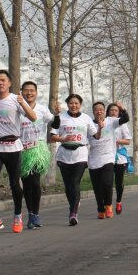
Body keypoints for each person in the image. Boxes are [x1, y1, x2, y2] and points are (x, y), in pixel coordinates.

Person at [0, 69, 37, 233]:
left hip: (13, 148)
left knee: (14, 184)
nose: (0, 83)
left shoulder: (15, 99)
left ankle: (18, 216)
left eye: (3, 80)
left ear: (9, 83)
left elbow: (33, 117)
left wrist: (23, 103)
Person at [48, 93, 96, 226]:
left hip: (80, 153)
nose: (74, 105)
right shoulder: (61, 117)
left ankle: (73, 213)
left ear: (80, 105)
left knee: (75, 182)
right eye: (71, 103)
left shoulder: (86, 118)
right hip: (64, 154)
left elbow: (95, 135)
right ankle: (74, 203)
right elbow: (52, 137)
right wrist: (63, 139)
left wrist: (101, 129)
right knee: (68, 185)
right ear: (67, 104)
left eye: (76, 103)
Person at [19, 81, 54, 229]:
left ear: (36, 92)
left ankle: (35, 214)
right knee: (27, 184)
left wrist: (58, 114)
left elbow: (54, 122)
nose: (29, 93)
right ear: (22, 92)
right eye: (26, 90)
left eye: (32, 90)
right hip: (22, 149)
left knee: (35, 182)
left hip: (38, 149)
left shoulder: (42, 109)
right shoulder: (17, 108)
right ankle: (31, 214)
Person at [88, 101, 129, 219]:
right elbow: (89, 138)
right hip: (94, 159)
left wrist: (122, 108)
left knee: (107, 183)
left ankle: (109, 205)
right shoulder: (89, 124)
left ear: (104, 111)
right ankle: (100, 209)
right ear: (93, 111)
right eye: (96, 109)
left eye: (101, 109)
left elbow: (125, 119)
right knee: (97, 187)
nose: (99, 111)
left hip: (108, 157)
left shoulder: (111, 121)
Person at [108, 103, 132, 214]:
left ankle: (118, 201)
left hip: (119, 157)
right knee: (107, 182)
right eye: (111, 110)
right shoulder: (105, 123)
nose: (113, 112)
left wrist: (116, 141)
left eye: (116, 110)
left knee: (119, 182)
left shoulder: (122, 125)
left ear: (119, 113)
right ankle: (108, 204)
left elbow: (127, 141)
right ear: (108, 112)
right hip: (107, 156)